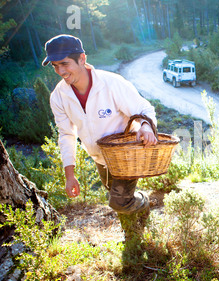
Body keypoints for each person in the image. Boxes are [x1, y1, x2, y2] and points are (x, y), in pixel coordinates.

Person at [42, 34, 158, 244]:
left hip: (125, 156)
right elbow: (66, 134)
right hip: (100, 159)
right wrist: (70, 174)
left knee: (119, 201)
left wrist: (146, 125)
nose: (60, 71)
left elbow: (143, 108)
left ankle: (144, 202)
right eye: (55, 66)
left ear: (82, 59)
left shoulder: (111, 83)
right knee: (118, 198)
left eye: (65, 64)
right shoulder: (58, 96)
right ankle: (133, 237)